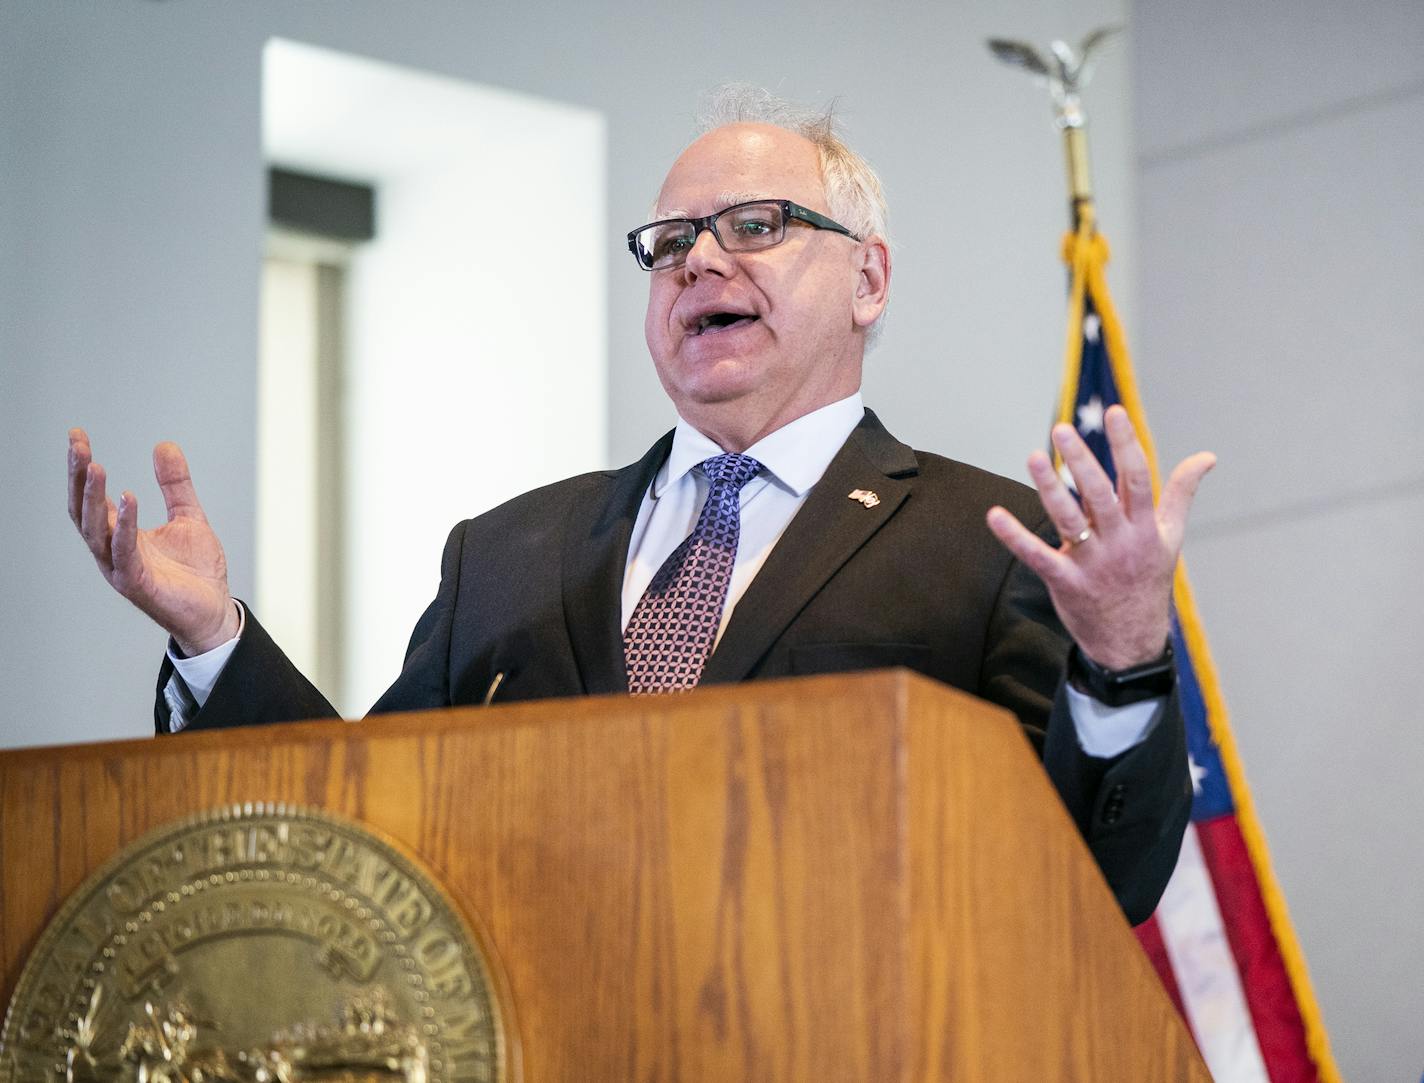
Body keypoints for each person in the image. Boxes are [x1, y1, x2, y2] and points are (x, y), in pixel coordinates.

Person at [66, 88, 1213, 923]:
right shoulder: (507, 552)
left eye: (755, 226)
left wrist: (1119, 659)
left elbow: (1090, 881)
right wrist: (213, 638)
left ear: (867, 278)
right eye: (668, 242)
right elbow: (357, 833)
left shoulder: (988, 545)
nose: (696, 263)